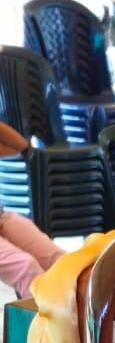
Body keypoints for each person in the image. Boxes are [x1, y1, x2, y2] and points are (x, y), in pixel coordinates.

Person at [0, 125, 64, 301]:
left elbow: (20, 145)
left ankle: (73, 314)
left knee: (61, 261)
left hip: (2, 217)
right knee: (26, 268)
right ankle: (46, 318)